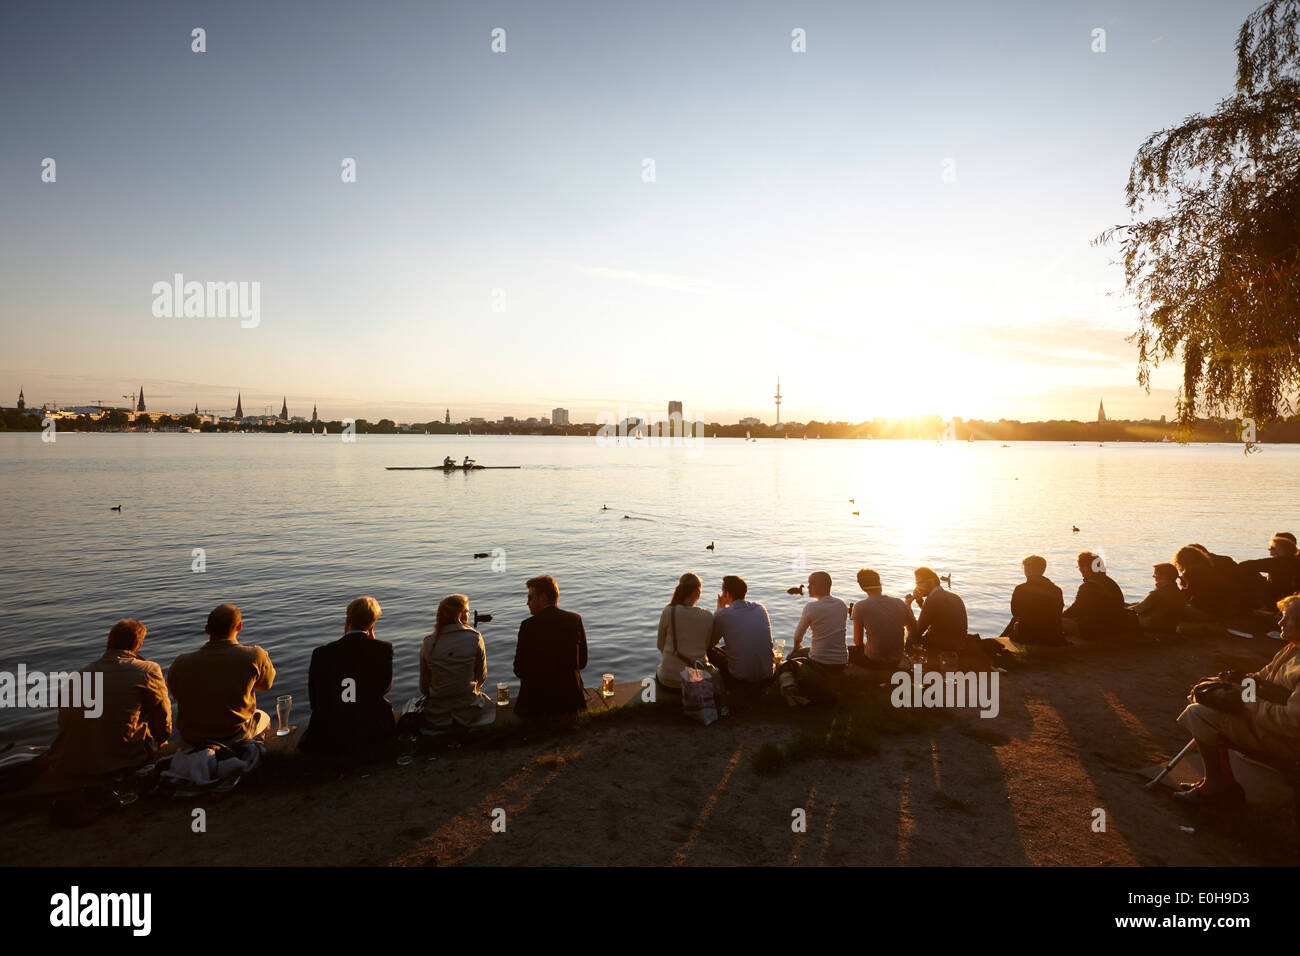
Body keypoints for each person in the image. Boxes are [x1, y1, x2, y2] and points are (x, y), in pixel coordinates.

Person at [1173, 593, 1300, 806]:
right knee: (1208, 695)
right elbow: (1261, 679)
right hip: (1269, 724)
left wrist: (1244, 701)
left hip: (1286, 740)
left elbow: (1292, 723)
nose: (1280, 622)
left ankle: (1214, 788)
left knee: (1198, 714)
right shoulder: (1292, 649)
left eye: (1287, 618)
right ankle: (1223, 782)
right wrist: (1231, 683)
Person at [45, 619, 172, 780]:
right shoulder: (147, 669)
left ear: (109, 642)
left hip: (73, 759)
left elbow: (65, 719)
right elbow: (163, 721)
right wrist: (162, 741)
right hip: (123, 760)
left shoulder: (79, 674)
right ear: (138, 645)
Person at [167, 604, 276, 747]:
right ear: (239, 627)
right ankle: (257, 757)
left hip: (192, 739)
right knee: (264, 717)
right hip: (233, 735)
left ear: (207, 629)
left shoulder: (180, 663)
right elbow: (265, 685)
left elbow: (174, 693)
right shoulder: (254, 656)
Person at [300, 596, 396, 755]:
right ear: (373, 623)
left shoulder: (321, 654)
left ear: (348, 619)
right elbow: (384, 687)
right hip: (373, 727)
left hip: (330, 731)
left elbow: (315, 699)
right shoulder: (383, 649)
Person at [513, 575, 588, 719]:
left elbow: (519, 669)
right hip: (571, 700)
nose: (527, 603)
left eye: (530, 598)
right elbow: (582, 662)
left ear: (542, 597)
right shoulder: (575, 620)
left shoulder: (528, 626)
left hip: (537, 704)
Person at [421, 593, 495, 729]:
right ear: (461, 615)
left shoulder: (428, 642)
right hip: (469, 711)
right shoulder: (475, 638)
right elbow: (481, 677)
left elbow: (424, 687)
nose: (469, 616)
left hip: (438, 715)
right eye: (467, 612)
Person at [708, 575, 775, 684]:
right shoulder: (760, 608)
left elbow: (710, 643)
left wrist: (719, 609)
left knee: (710, 652)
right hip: (767, 674)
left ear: (727, 594)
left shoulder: (722, 615)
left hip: (740, 678)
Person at [655, 573, 714, 692]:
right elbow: (707, 646)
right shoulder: (708, 616)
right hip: (696, 680)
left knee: (659, 670)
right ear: (697, 592)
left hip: (669, 680)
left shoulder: (668, 611)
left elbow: (660, 645)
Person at [849, 569, 915, 670]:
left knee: (845, 651)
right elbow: (913, 631)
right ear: (880, 583)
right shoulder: (899, 603)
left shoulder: (860, 606)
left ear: (862, 587)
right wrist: (908, 605)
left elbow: (858, 642)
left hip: (874, 660)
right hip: (897, 658)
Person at [1062, 552, 1136, 641]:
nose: (1080, 570)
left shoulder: (1088, 586)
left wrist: (1059, 616)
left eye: (1080, 567)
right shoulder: (1111, 583)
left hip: (1094, 631)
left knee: (1057, 621)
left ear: (1085, 568)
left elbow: (1076, 609)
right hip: (1115, 628)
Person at [791, 571, 849, 672]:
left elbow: (798, 636)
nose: (808, 587)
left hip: (818, 661)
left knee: (792, 656)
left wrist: (795, 647)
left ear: (823, 586)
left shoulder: (811, 607)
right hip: (841, 661)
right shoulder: (842, 604)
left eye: (812, 584)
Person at [1000, 555, 1065, 645]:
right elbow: (1058, 612)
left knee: (1015, 620)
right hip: (1053, 635)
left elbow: (1015, 612)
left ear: (1027, 569)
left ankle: (999, 640)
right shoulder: (1056, 589)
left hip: (1030, 637)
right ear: (1043, 569)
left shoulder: (1021, 589)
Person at [908, 567, 968, 652]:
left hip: (940, 647)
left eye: (919, 583)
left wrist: (908, 608)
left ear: (932, 582)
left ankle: (914, 664)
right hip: (959, 644)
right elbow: (934, 615)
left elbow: (916, 633)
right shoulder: (954, 596)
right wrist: (920, 602)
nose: (917, 587)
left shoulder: (932, 600)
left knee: (911, 636)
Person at [1128, 563, 1192, 634]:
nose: (1153, 576)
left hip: (1154, 626)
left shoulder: (1158, 593)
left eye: (1155, 574)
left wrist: (1122, 609)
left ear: (1164, 576)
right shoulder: (1177, 592)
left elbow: (1138, 609)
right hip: (1170, 627)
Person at [1174, 545, 1235, 619]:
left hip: (1209, 612)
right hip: (1223, 608)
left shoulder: (1190, 573)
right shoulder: (1210, 569)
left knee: (1174, 607)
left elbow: (1186, 596)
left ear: (1181, 560)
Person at [1239, 533, 1300, 607]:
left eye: (1273, 547)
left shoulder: (1280, 562)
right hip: (1290, 597)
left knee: (1247, 572)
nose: (1269, 549)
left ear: (1281, 548)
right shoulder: (1294, 560)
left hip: (1281, 600)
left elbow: (1246, 565)